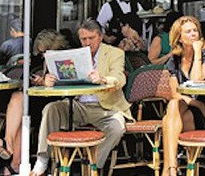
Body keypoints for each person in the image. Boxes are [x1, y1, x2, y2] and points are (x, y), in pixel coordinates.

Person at [30, 19, 131, 176]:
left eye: (91, 38)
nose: (87, 42)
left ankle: (94, 166)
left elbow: (120, 78)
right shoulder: (75, 54)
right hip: (78, 105)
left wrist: (103, 79)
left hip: (106, 108)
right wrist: (51, 81)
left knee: (117, 127)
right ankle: (42, 161)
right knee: (51, 109)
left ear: (100, 36)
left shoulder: (115, 53)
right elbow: (66, 81)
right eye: (84, 39)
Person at [0, 29, 68, 175]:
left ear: (54, 46)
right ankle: (9, 147)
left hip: (56, 105)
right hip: (40, 101)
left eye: (45, 51)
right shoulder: (42, 60)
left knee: (21, 107)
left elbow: (70, 82)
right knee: (19, 102)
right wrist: (41, 81)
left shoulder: (66, 56)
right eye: (41, 53)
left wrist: (52, 83)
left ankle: (10, 154)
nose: (43, 55)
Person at [161, 16, 205, 176]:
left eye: (195, 30)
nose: (193, 34)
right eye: (188, 31)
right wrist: (198, 104)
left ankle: (169, 169)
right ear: (179, 37)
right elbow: (175, 93)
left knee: (168, 120)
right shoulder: (174, 60)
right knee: (173, 105)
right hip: (191, 108)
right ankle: (172, 167)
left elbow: (196, 81)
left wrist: (197, 52)